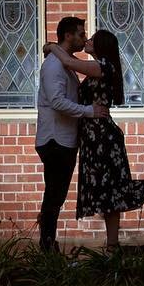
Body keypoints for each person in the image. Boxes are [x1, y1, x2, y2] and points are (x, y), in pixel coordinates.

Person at [44, 29, 144, 248]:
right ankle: (113, 246)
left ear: (101, 45)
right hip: (95, 137)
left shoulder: (102, 67)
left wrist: (50, 46)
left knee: (113, 189)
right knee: (109, 192)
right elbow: (70, 60)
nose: (87, 40)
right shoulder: (99, 66)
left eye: (92, 39)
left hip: (102, 138)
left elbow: (67, 61)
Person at [35, 17, 111, 253]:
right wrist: (90, 111)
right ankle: (47, 245)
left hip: (65, 139)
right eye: (80, 33)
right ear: (68, 36)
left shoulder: (64, 63)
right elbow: (57, 102)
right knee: (54, 195)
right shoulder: (54, 66)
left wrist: (50, 46)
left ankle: (48, 241)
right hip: (55, 139)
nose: (83, 37)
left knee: (56, 196)